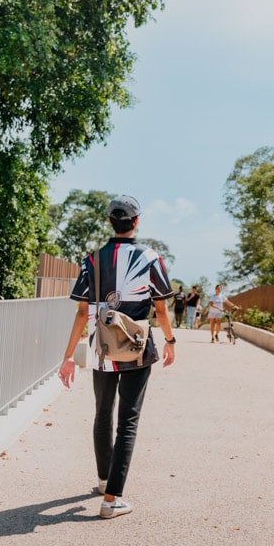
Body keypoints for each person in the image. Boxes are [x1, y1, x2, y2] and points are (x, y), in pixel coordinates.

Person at [58, 194, 176, 519]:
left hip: (101, 347)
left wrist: (68, 357)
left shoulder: (93, 259)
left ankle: (102, 480)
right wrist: (170, 340)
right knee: (127, 421)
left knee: (102, 415)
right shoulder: (151, 258)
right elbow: (162, 308)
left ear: (110, 221)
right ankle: (112, 499)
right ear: (136, 222)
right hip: (137, 348)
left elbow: (83, 313)